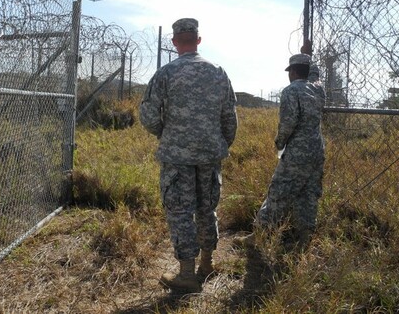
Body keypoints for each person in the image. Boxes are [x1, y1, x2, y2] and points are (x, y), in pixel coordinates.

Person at [139, 18, 238, 292]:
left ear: (174, 42)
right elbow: (230, 116)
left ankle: (186, 275)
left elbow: (147, 115)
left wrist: (166, 134)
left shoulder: (166, 73)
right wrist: (219, 143)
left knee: (181, 211)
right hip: (209, 154)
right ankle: (207, 263)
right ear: (198, 39)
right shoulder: (218, 72)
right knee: (207, 207)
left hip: (177, 156)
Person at [236, 45, 325, 250]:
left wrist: (280, 142)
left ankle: (258, 236)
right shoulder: (318, 90)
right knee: (309, 195)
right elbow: (316, 76)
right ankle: (304, 240)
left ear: (293, 72)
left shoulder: (291, 91)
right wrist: (309, 58)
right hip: (317, 150)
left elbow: (288, 122)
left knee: (278, 193)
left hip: (297, 152)